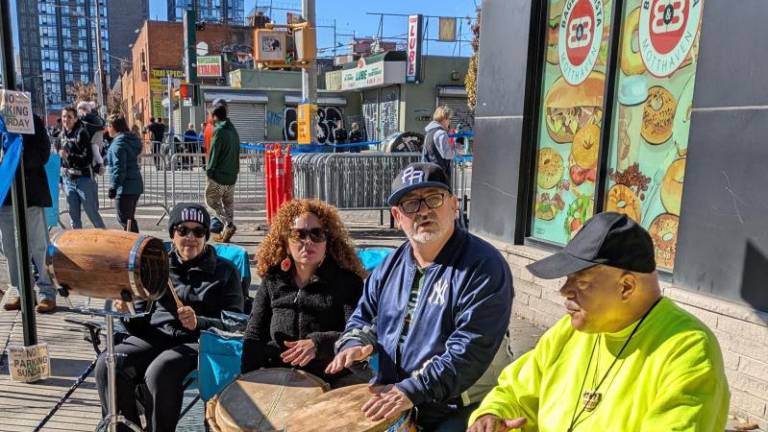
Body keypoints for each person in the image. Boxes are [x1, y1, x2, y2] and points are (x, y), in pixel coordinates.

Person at [467, 212, 730, 432]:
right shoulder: (570, 332)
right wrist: (492, 415)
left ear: (626, 287)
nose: (564, 291)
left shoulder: (688, 350)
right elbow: (515, 390)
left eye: (581, 281)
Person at [326, 162, 514, 431]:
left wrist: (412, 389)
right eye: (411, 204)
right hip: (401, 394)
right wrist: (354, 344)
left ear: (453, 204)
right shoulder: (390, 267)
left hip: (461, 402)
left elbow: (469, 350)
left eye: (433, 199)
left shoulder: (483, 266)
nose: (423, 210)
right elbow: (364, 316)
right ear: (396, 215)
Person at [95, 203, 243, 432]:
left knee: (160, 369)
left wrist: (199, 322)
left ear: (206, 236)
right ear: (172, 234)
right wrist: (128, 311)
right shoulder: (157, 266)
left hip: (199, 341)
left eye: (198, 231)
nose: (190, 237)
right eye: (183, 230)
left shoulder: (225, 271)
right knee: (110, 362)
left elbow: (235, 324)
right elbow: (140, 321)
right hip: (155, 335)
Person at [241, 199, 367, 384]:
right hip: (280, 376)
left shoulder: (348, 282)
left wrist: (318, 344)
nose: (308, 242)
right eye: (299, 234)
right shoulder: (273, 280)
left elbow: (358, 334)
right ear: (285, 241)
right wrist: (248, 378)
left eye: (317, 234)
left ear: (328, 241)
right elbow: (254, 335)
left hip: (333, 378)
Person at [0, 114, 58, 313]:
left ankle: (46, 291)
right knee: (9, 247)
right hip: (4, 196)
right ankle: (19, 290)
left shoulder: (28, 118)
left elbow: (43, 153)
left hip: (29, 193)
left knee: (38, 245)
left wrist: (16, 158)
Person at [57, 106, 106, 229]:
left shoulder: (81, 133)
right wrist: (60, 179)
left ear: (75, 119)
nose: (66, 119)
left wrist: (69, 156)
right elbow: (60, 160)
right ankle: (77, 244)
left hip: (84, 179)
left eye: (69, 117)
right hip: (68, 180)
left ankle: (105, 239)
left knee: (92, 213)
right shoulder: (61, 136)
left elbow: (87, 159)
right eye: (64, 116)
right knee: (73, 216)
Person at [205, 103, 240, 243]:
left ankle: (228, 224)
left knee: (211, 200)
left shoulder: (219, 131)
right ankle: (226, 232)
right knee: (228, 203)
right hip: (231, 175)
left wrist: (210, 171)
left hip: (219, 175)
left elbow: (214, 154)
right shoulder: (233, 130)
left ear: (214, 116)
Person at [105, 114, 144, 233]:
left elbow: (119, 168)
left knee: (124, 218)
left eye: (109, 126)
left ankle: (136, 244)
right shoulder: (129, 140)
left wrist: (114, 187)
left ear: (114, 127)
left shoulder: (118, 144)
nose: (107, 129)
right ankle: (134, 242)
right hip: (134, 184)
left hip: (125, 187)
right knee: (128, 219)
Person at [422, 106, 455, 186]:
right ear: (444, 119)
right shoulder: (441, 133)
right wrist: (454, 149)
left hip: (429, 173)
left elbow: (424, 155)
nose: (449, 122)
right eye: (449, 119)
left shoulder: (429, 133)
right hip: (440, 174)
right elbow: (447, 154)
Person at [77, 101, 105, 175]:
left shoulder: (86, 117)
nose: (78, 112)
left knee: (94, 154)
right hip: (97, 137)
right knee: (96, 153)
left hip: (93, 139)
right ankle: (99, 166)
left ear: (83, 109)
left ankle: (100, 166)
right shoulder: (96, 116)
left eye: (78, 110)